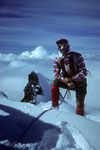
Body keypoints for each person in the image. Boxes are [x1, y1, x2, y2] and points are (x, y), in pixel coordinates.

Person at [51, 39, 87, 116]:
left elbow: (84, 72)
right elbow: (56, 74)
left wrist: (71, 79)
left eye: (64, 45)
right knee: (55, 83)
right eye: (60, 46)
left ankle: (80, 118)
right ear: (58, 48)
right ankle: (54, 106)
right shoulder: (57, 59)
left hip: (79, 83)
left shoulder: (77, 56)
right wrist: (65, 81)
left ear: (68, 46)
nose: (62, 48)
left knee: (79, 103)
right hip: (67, 82)